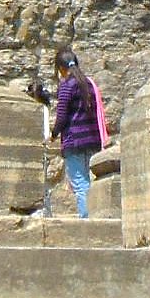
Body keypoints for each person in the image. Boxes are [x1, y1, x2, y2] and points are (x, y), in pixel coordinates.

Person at [49, 46, 106, 218]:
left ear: (61, 68)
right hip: (92, 140)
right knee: (92, 182)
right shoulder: (89, 84)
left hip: (74, 141)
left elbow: (62, 116)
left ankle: (87, 221)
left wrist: (53, 135)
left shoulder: (67, 86)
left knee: (80, 185)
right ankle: (95, 217)